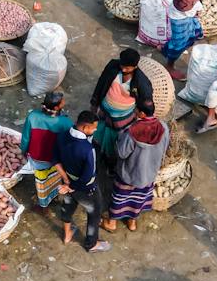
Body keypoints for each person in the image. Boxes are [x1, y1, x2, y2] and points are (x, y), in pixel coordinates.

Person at [106, 94, 168, 232]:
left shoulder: (131, 131)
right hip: (148, 174)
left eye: (136, 110)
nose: (134, 112)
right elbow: (164, 149)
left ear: (141, 113)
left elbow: (122, 153)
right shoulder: (163, 127)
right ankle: (132, 222)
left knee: (120, 197)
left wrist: (118, 139)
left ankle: (112, 223)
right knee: (138, 198)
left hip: (129, 174)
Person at [55, 111, 103, 250]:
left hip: (67, 180)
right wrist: (72, 186)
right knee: (94, 211)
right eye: (93, 128)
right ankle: (91, 244)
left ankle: (67, 234)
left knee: (68, 205)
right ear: (85, 128)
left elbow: (55, 159)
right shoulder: (88, 150)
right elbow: (88, 175)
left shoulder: (62, 136)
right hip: (85, 188)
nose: (95, 130)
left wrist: (65, 180)